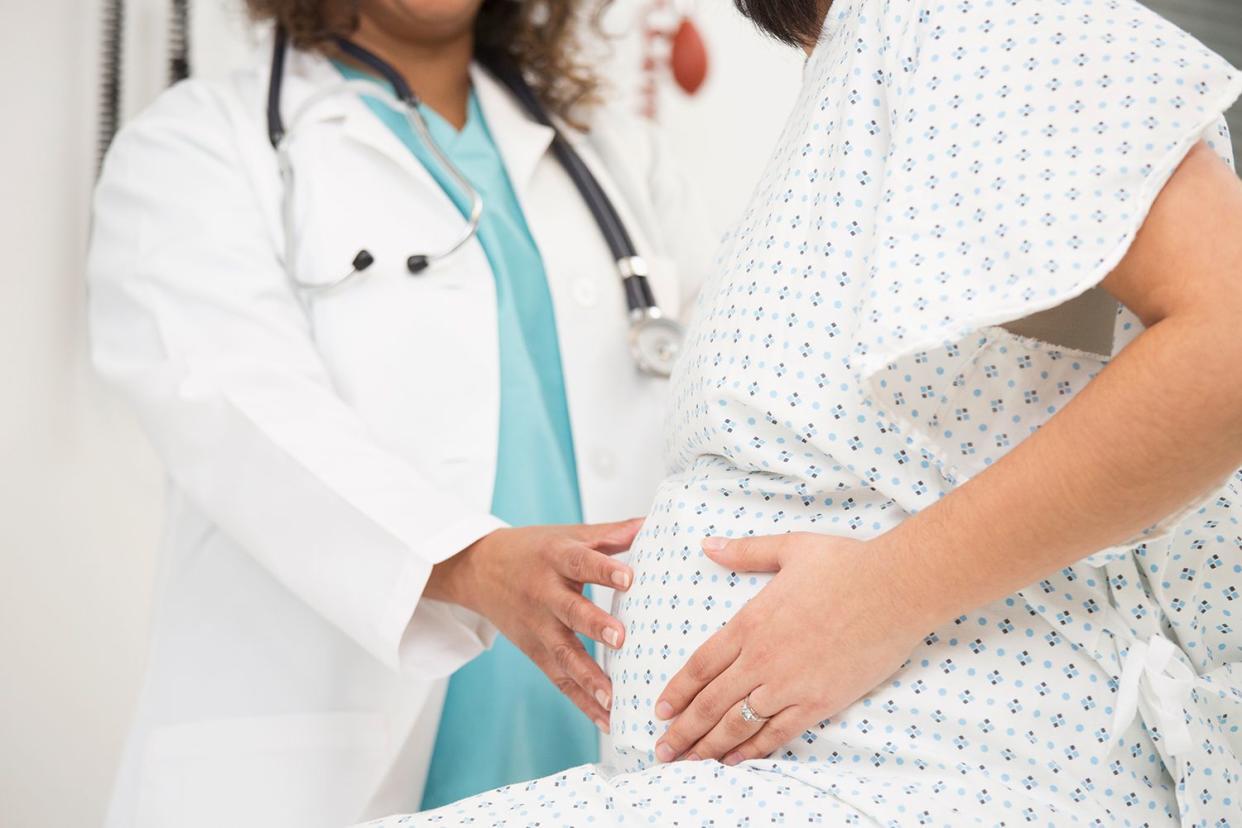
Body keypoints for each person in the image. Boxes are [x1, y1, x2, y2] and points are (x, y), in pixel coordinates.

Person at [364, 0, 1242, 824]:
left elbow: (1229, 335)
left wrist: (891, 590)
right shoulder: (870, 57)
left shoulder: (965, 16)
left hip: (939, 780)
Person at [86, 0, 709, 825]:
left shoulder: (615, 156)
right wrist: (470, 562)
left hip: (595, 749)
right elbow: (238, 409)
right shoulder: (198, 147)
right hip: (321, 774)